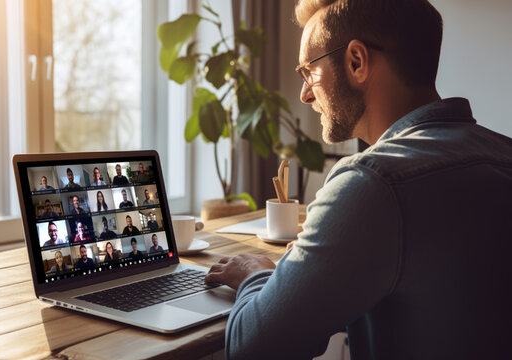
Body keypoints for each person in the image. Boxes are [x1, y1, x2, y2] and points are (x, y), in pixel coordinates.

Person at [204, 1, 512, 359]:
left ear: (356, 62)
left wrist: (257, 273)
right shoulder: (504, 152)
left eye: (308, 71)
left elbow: (252, 348)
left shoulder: (372, 183)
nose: (305, 94)